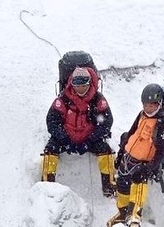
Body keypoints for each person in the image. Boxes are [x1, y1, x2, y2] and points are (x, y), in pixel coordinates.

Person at [106, 84, 164, 227]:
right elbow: (131, 133)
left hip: (143, 162)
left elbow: (161, 151)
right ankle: (123, 213)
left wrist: (148, 169)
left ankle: (134, 215)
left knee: (139, 183)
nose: (148, 108)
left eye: (151, 105)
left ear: (159, 103)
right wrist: (121, 153)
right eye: (145, 105)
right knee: (122, 185)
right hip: (128, 157)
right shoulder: (142, 114)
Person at [41, 66, 116, 197]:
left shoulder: (98, 100)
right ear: (72, 84)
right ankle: (47, 187)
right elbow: (52, 122)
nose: (80, 89)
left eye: (83, 85)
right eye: (77, 86)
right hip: (65, 138)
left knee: (106, 151)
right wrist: (65, 139)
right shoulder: (63, 99)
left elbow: (106, 122)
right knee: (50, 150)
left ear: (89, 83)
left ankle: (109, 187)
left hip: (90, 139)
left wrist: (90, 140)